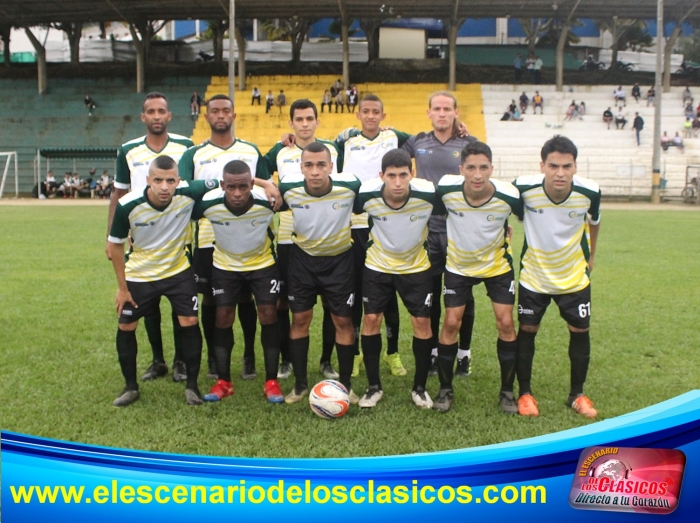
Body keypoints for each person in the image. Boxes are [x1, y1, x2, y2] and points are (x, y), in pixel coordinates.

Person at [179, 94, 277, 383]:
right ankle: (214, 357)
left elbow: (267, 189)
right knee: (212, 300)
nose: (220, 115)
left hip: (248, 235)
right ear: (206, 116)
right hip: (209, 237)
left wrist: (260, 182)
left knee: (248, 297)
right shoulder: (193, 154)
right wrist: (212, 186)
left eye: (226, 110)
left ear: (234, 116)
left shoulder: (250, 150)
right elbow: (184, 189)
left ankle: (249, 354)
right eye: (215, 111)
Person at [106, 155, 219, 407]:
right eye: (158, 180)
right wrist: (122, 288)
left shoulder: (188, 192)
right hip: (140, 273)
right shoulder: (128, 205)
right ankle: (130, 387)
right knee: (127, 325)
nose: (164, 187)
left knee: (190, 321)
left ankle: (192, 387)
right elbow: (115, 246)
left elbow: (226, 182)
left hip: (178, 272)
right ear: (148, 180)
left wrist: (265, 185)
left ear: (178, 180)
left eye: (170, 181)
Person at [108, 92, 195, 383]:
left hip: (176, 236)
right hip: (140, 238)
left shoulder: (186, 146)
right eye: (151, 111)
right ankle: (158, 360)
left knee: (180, 302)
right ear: (143, 117)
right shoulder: (128, 150)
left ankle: (180, 361)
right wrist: (110, 236)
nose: (156, 116)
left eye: (161, 111)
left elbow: (190, 188)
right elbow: (119, 193)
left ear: (169, 116)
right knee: (147, 304)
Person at [514, 135, 601, 419]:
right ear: (542, 166)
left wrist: (592, 256)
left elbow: (595, 221)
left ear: (575, 166)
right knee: (527, 330)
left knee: (580, 331)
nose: (560, 173)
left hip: (573, 277)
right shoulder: (523, 188)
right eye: (553, 166)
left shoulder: (590, 192)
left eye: (567, 166)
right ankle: (525, 393)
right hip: (534, 276)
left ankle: (577, 394)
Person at [433, 141, 522, 414]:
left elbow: (528, 217)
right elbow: (431, 212)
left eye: (483, 167)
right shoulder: (446, 189)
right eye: (471, 168)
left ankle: (507, 391)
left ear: (492, 168)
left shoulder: (509, 195)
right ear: (461, 169)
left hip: (496, 266)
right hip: (458, 266)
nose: (477, 175)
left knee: (506, 322)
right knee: (451, 322)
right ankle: (445, 389)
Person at [192, 160, 284, 404]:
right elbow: (178, 205)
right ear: (222, 185)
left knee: (268, 314)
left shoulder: (268, 201)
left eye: (243, 187)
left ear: (252, 185)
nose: (237, 193)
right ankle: (224, 382)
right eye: (231, 187)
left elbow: (300, 193)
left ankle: (271, 382)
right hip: (225, 266)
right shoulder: (209, 203)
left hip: (262, 264)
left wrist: (269, 185)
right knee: (223, 317)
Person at [265, 99, 344, 381]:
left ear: (317, 121)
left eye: (309, 118)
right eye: (299, 119)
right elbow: (261, 177)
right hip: (290, 238)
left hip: (326, 236)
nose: (305, 124)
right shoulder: (279, 150)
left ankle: (326, 360)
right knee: (285, 302)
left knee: (330, 304)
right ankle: (287, 359)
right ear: (291, 123)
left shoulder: (332, 150)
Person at [402, 92, 479, 379]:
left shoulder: (470, 143)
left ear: (456, 112)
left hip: (461, 230)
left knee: (464, 295)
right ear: (429, 113)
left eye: (448, 109)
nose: (442, 113)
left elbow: (483, 180)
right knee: (431, 294)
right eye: (437, 108)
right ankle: (434, 352)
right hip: (428, 230)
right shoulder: (417, 142)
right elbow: (389, 147)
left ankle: (464, 355)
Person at [334, 94, 411, 377]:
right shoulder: (344, 142)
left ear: (383, 115)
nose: (370, 116)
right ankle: (355, 353)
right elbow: (317, 151)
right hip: (354, 225)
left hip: (386, 222)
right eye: (365, 111)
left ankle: (392, 353)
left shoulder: (394, 137)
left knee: (388, 291)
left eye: (375, 112)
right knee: (356, 291)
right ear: (358, 114)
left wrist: (459, 128)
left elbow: (423, 142)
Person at [278, 142, 360, 404]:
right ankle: (300, 385)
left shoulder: (350, 186)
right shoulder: (288, 187)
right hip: (302, 261)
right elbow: (267, 192)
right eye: (309, 165)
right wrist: (265, 184)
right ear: (301, 167)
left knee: (343, 321)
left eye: (321, 165)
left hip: (339, 262)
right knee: (300, 319)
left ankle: (345, 386)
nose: (315, 171)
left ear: (331, 167)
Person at [355, 149, 436, 409]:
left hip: (416, 266)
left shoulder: (428, 193)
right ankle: (373, 387)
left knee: (421, 322)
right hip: (378, 264)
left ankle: (420, 388)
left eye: (403, 175)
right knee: (371, 319)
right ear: (382, 175)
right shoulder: (367, 193)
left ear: (412, 174)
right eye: (392, 176)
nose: (398, 182)